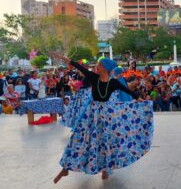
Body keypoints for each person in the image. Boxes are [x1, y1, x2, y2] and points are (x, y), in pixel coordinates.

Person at [50, 52, 153, 183]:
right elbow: (77, 66)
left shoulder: (114, 82)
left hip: (106, 115)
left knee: (105, 141)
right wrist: (63, 58)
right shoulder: (93, 77)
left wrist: (141, 100)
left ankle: (105, 168)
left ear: (104, 68)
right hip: (91, 114)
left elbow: (128, 91)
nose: (96, 67)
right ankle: (66, 168)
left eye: (98, 65)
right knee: (79, 139)